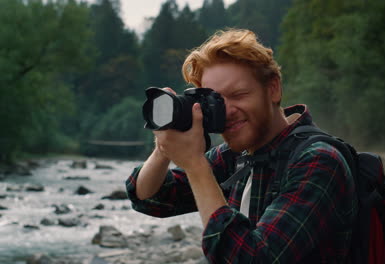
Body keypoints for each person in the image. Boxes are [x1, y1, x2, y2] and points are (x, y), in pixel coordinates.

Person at [126, 29, 357, 263]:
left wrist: (196, 165)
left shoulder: (319, 161)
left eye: (238, 94)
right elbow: (150, 198)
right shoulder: (237, 156)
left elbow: (253, 257)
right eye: (215, 101)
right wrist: (164, 147)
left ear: (273, 89)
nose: (227, 111)